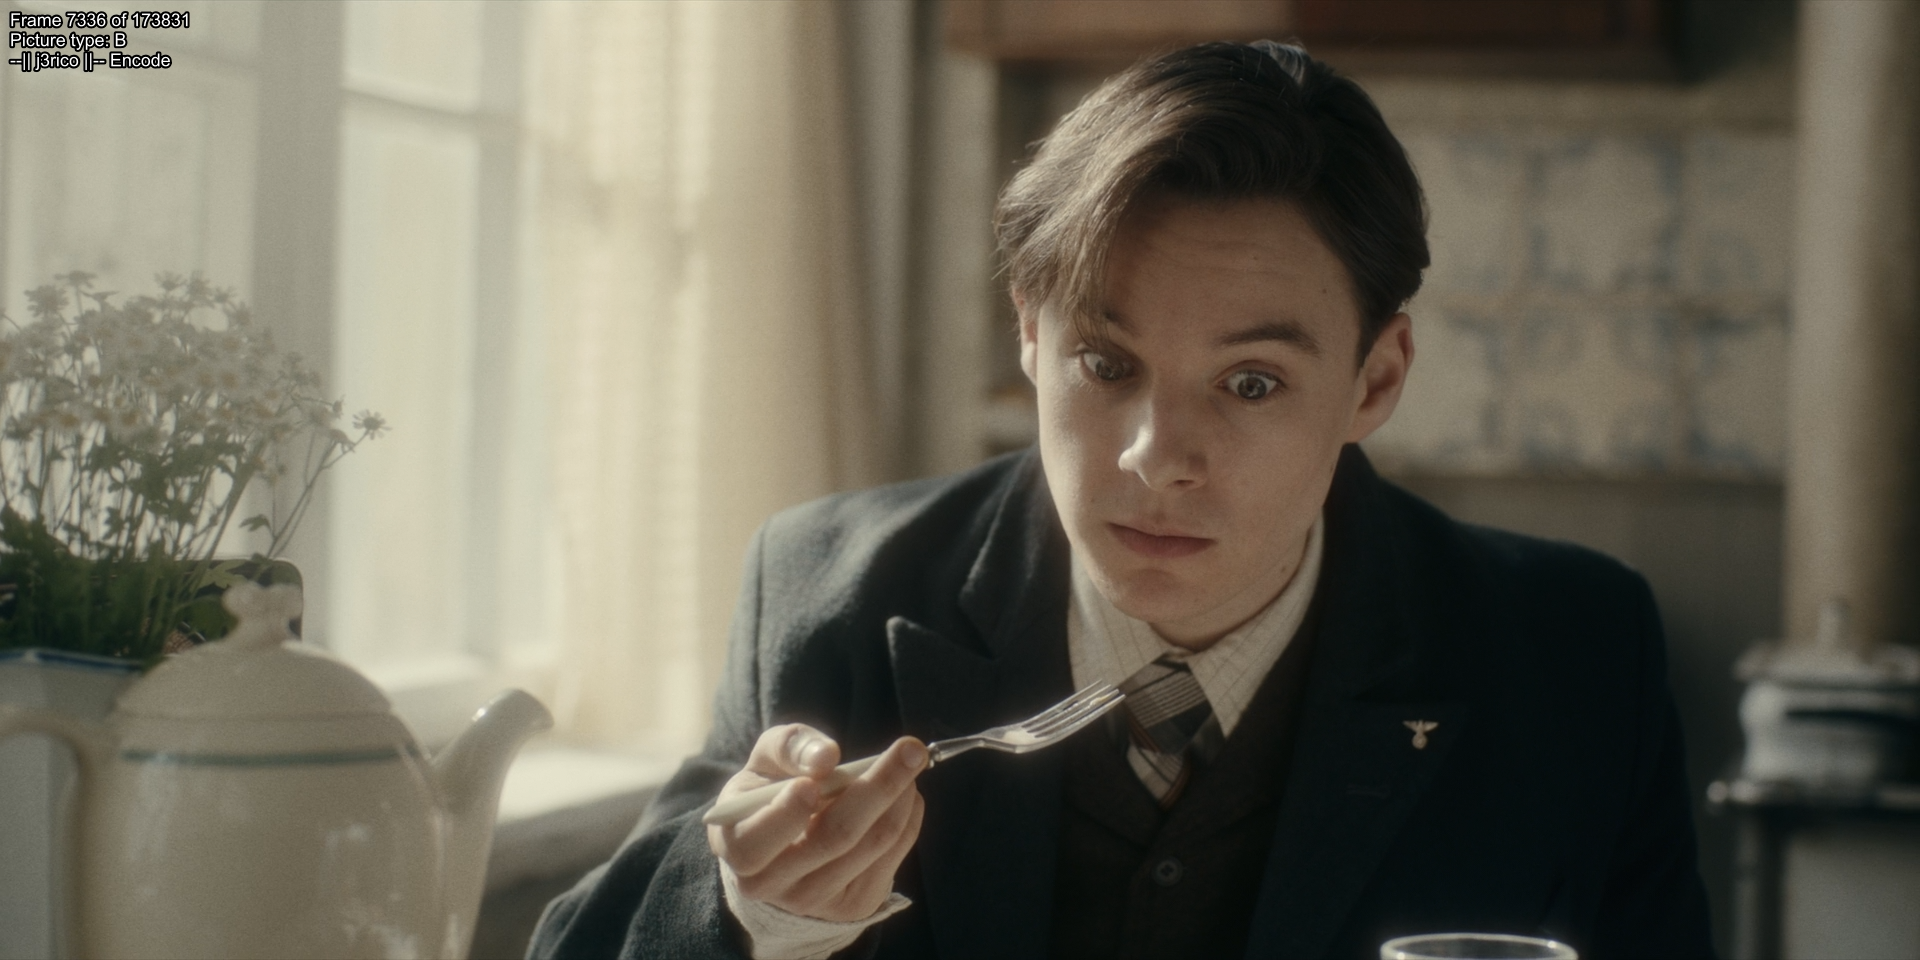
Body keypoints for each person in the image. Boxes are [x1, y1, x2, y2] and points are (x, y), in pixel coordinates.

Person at [529, 40, 1715, 960]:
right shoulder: (831, 593)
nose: (1156, 457)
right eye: (1106, 364)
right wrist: (749, 914)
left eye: (1251, 383)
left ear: (1376, 380)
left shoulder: (1571, 653)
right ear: (1029, 336)